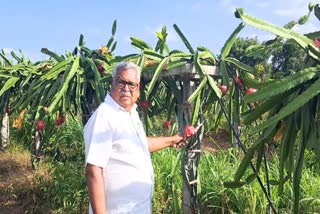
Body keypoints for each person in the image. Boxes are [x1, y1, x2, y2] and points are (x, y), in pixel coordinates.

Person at [83, 61, 185, 214]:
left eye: (131, 85)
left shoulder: (130, 113)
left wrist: (172, 140)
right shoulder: (105, 116)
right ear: (112, 83)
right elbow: (93, 170)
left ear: (138, 88)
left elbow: (139, 144)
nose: (126, 89)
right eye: (121, 82)